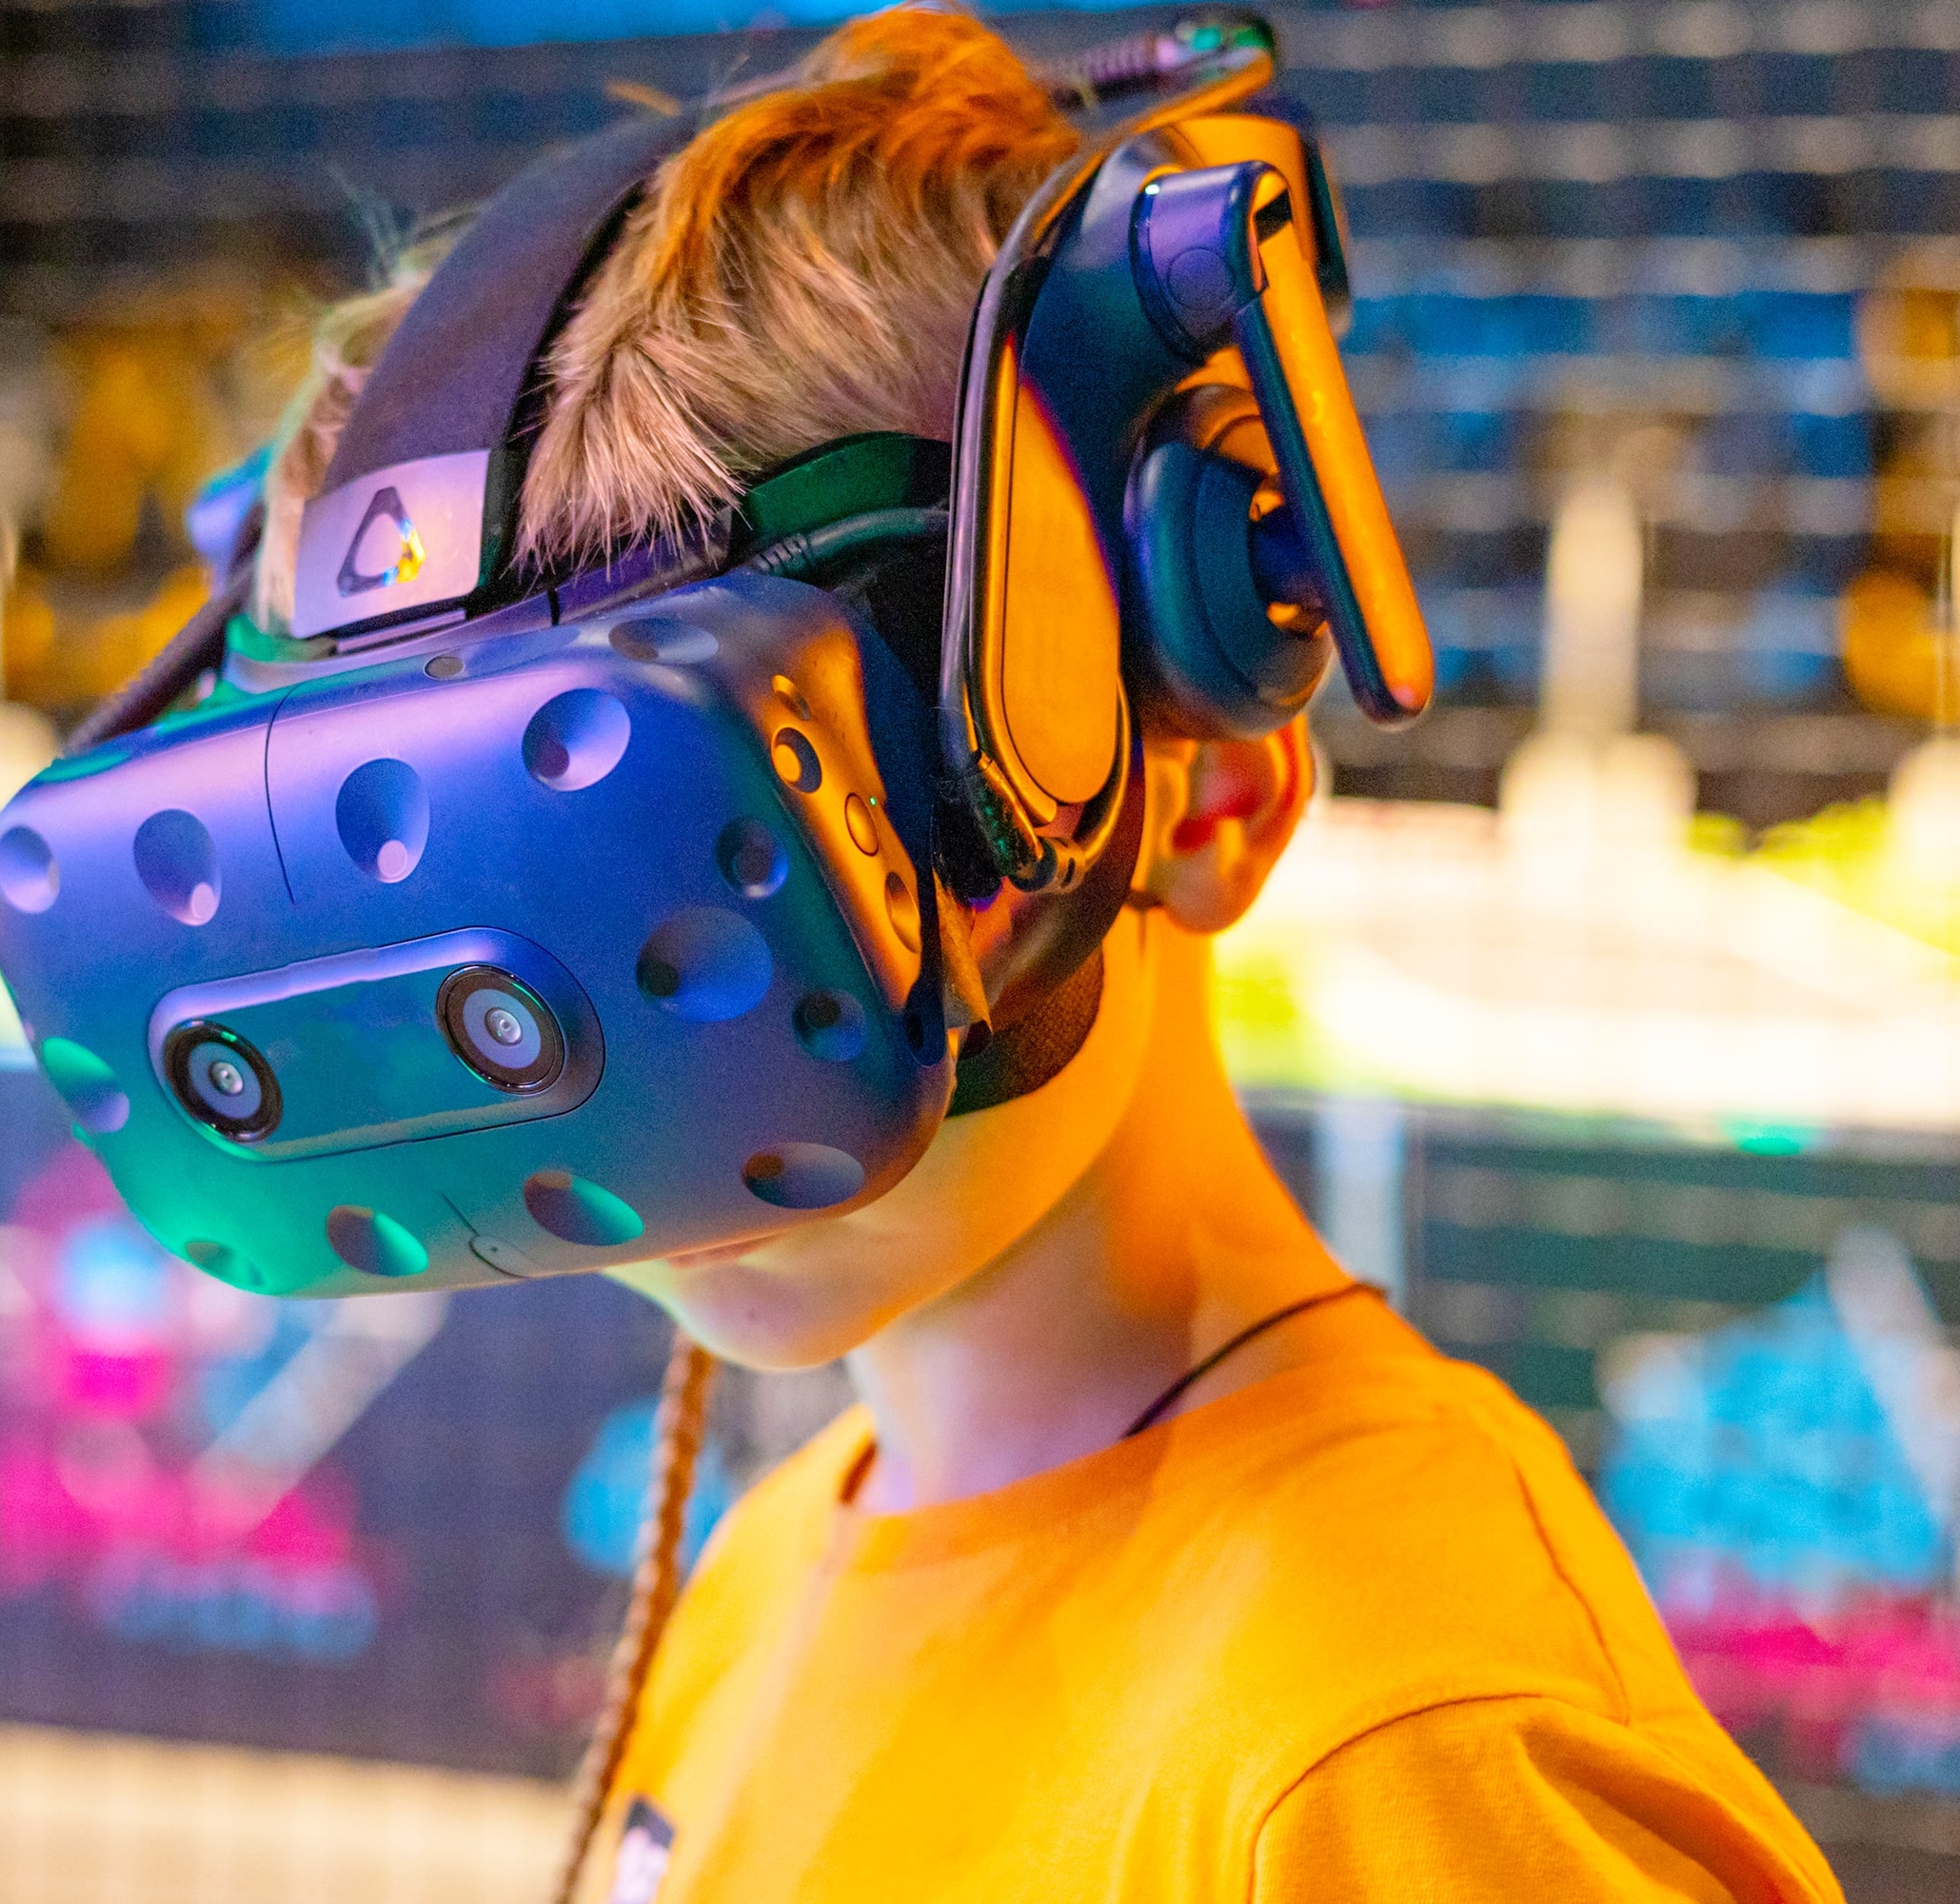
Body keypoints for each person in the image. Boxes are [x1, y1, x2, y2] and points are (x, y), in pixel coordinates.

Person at [249, 7, 1844, 1898]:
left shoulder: (1393, 1745)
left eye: (745, 858)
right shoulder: (776, 1562)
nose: (631, 1036)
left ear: (1205, 795)